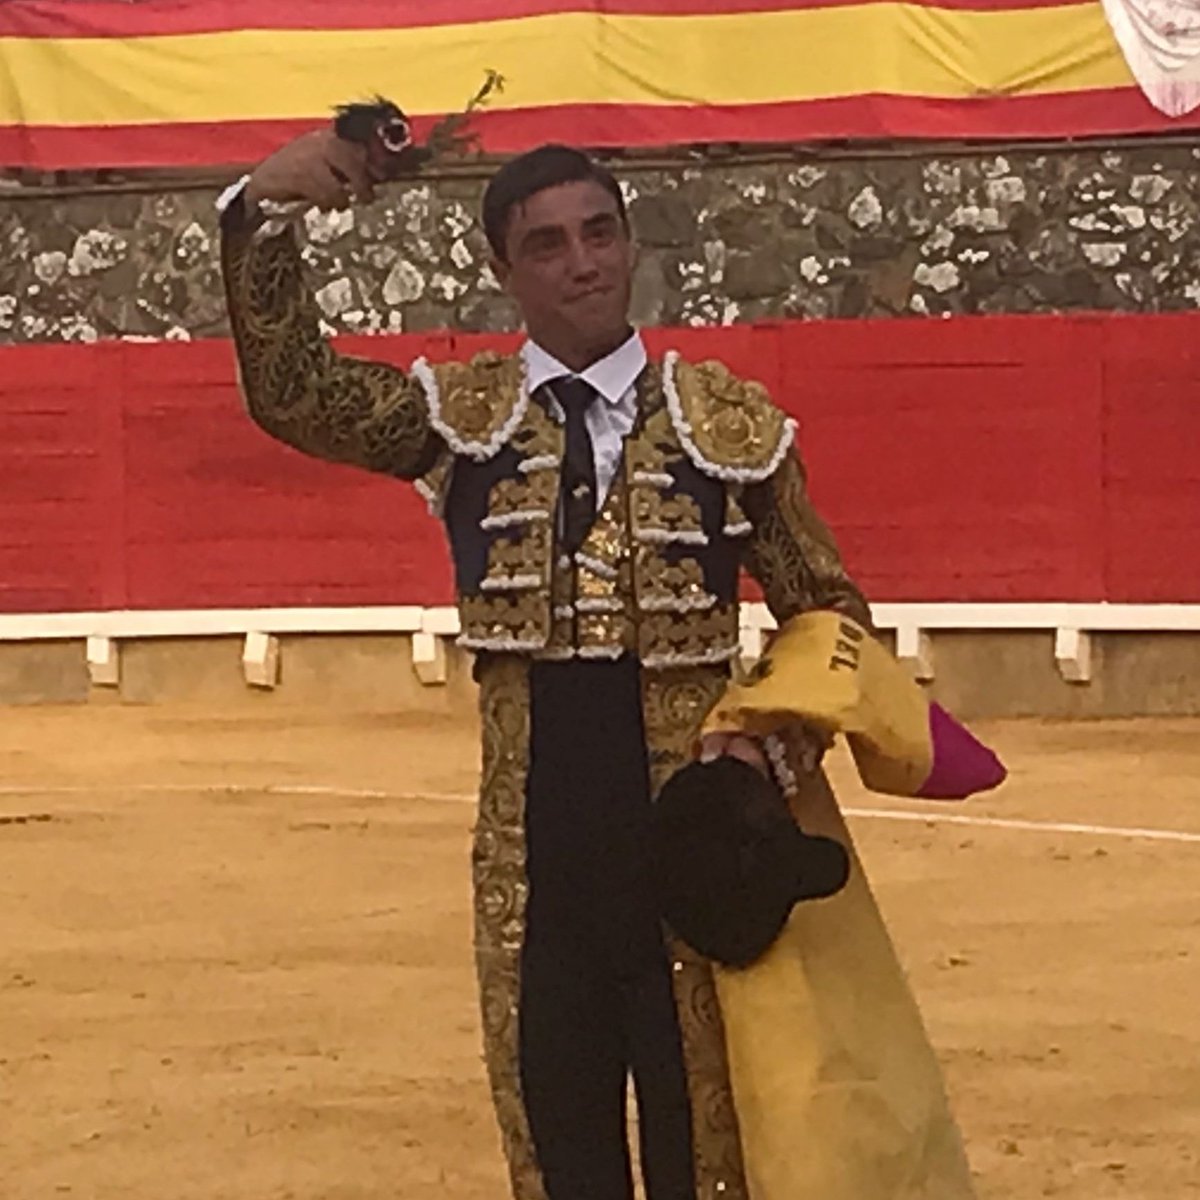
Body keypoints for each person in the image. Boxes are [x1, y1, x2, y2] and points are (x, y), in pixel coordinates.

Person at [219, 130, 977, 1200]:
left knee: (702, 1153)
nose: (582, 262)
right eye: (547, 245)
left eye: (599, 233)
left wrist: (773, 733)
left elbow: (827, 605)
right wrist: (266, 211)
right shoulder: (462, 423)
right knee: (560, 1143)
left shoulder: (730, 424)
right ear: (502, 269)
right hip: (533, 859)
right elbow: (295, 395)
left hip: (688, 841)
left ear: (627, 242)